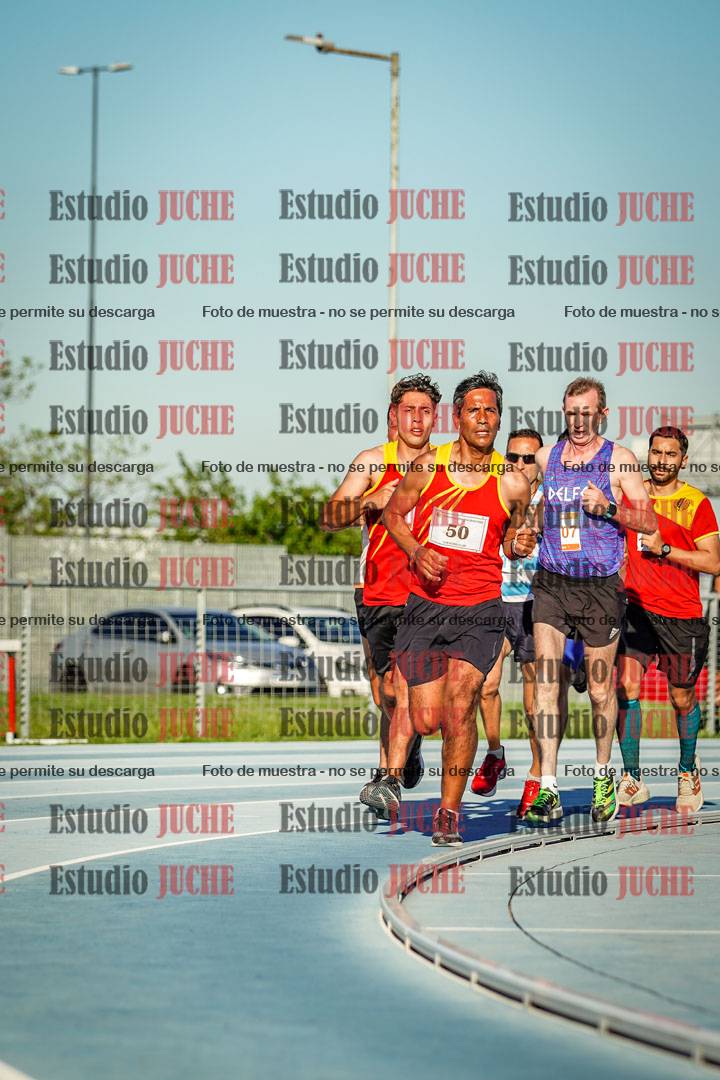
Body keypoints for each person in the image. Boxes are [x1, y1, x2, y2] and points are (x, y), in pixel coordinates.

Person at [380, 372, 535, 845]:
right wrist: (415, 551)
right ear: (458, 416)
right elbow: (392, 515)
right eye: (474, 410)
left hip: (480, 607)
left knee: (462, 702)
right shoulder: (429, 466)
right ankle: (411, 752)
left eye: (491, 411)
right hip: (427, 603)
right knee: (427, 717)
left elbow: (512, 538)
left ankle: (449, 811)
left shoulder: (513, 482)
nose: (483, 418)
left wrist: (519, 543)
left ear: (499, 419)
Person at [524, 376, 657, 825]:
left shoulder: (619, 459)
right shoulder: (547, 457)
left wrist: (609, 507)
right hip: (552, 583)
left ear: (602, 413)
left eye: (586, 413)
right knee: (547, 683)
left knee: (600, 690)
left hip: (600, 587)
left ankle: (603, 775)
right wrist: (528, 528)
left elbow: (649, 522)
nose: (578, 422)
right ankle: (548, 788)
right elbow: (537, 506)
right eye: (571, 413)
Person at [320, 374, 441, 807]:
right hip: (375, 590)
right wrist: (370, 501)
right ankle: (408, 747)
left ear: (435, 417)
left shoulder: (444, 465)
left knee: (405, 685)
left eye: (425, 411)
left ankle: (387, 775)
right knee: (384, 692)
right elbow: (329, 517)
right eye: (409, 411)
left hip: (424, 593)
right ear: (394, 415)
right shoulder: (372, 462)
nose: (417, 419)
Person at [472, 429, 585, 818]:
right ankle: (495, 752)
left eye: (528, 458)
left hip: (537, 603)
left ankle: (537, 777)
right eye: (513, 457)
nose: (520, 464)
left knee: (538, 698)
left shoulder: (556, 498)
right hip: (495, 598)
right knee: (484, 686)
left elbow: (573, 548)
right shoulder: (498, 491)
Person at [616, 426, 720, 811]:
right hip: (636, 608)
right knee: (626, 685)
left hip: (681, 615)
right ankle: (631, 778)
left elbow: (714, 562)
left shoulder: (695, 503)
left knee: (681, 697)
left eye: (670, 454)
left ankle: (688, 770)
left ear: (683, 460)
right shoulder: (633, 495)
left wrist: (666, 549)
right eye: (656, 453)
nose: (661, 461)